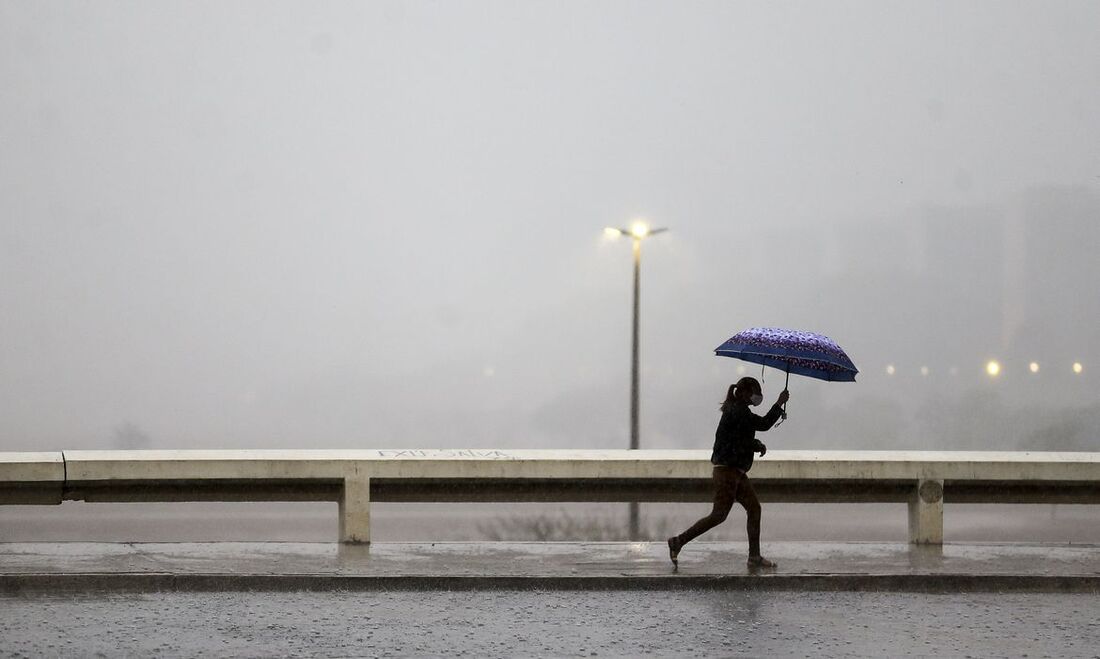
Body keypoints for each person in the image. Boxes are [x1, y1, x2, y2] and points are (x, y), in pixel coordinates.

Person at [667, 376, 789, 569]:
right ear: (742, 393)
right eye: (753, 392)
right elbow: (763, 425)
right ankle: (678, 541)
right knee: (719, 515)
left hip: (735, 472)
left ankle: (754, 557)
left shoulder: (737, 411)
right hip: (728, 472)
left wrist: (755, 444)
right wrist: (779, 403)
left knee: (754, 508)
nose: (756, 396)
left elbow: (741, 439)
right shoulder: (738, 412)